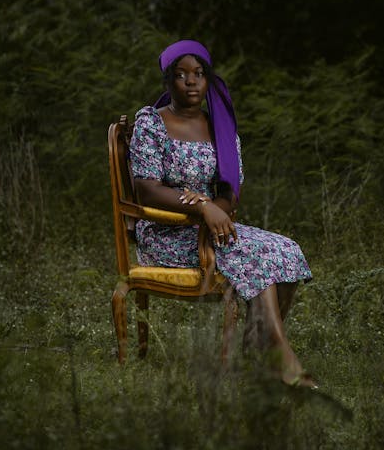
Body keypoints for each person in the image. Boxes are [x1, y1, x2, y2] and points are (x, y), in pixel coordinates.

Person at [129, 39, 315, 388]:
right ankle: (282, 362)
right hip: (166, 233)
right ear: (168, 81)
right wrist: (202, 207)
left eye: (199, 74)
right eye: (181, 74)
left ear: (208, 80)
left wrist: (218, 210)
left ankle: (256, 347)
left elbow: (230, 190)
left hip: (212, 228)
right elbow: (146, 189)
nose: (191, 81)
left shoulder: (221, 129)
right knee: (253, 254)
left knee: (285, 248)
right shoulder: (151, 123)